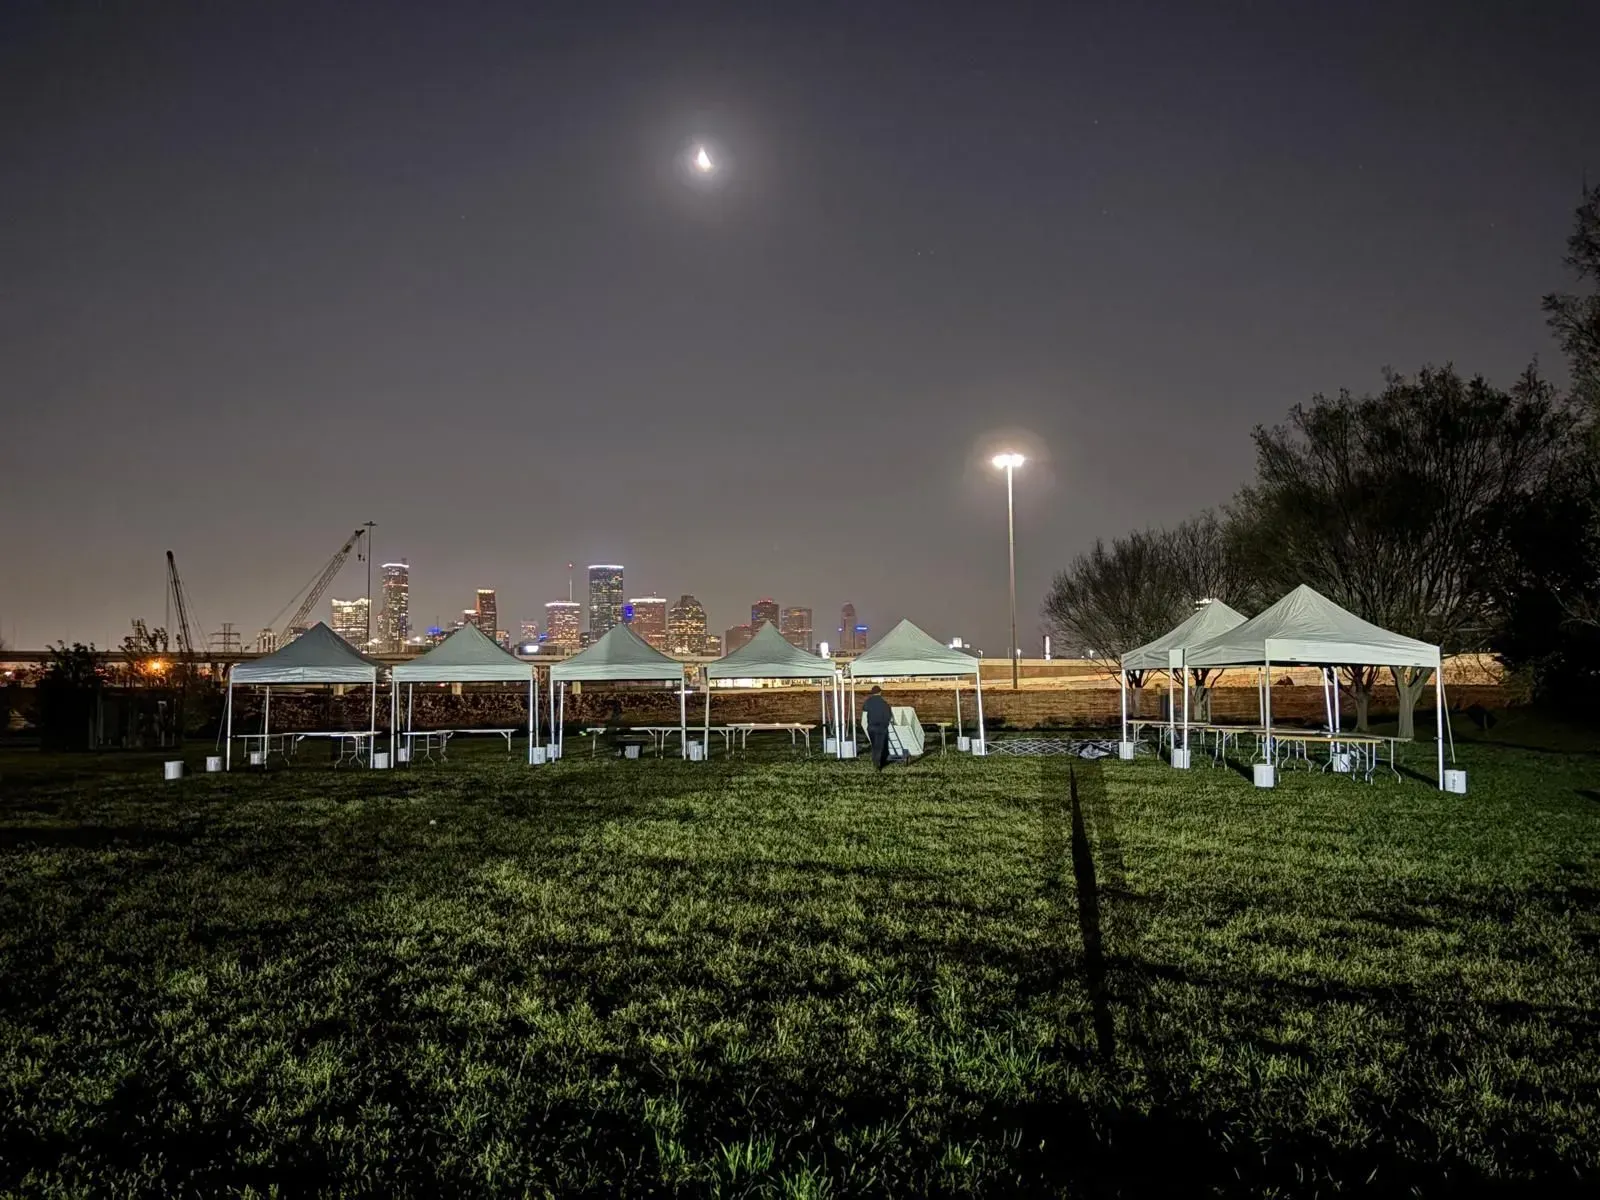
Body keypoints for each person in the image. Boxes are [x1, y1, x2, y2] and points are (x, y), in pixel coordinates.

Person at [863, 685, 894, 771]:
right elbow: (889, 716)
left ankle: (875, 761)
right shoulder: (884, 703)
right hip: (881, 727)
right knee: (880, 746)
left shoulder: (868, 702)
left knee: (874, 745)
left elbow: (864, 714)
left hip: (871, 727)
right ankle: (878, 764)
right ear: (880, 692)